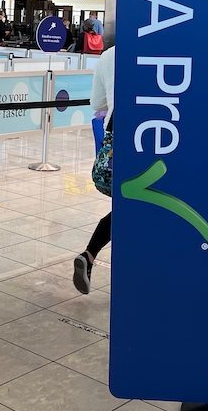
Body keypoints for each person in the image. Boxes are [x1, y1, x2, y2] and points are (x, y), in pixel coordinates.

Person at [73, 45, 115, 294]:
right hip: (156, 139)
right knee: (144, 206)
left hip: (117, 137)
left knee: (126, 204)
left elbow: (97, 103)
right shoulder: (160, 54)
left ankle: (89, 255)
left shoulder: (109, 55)